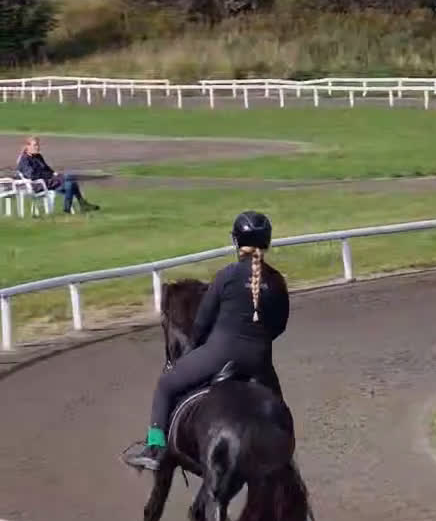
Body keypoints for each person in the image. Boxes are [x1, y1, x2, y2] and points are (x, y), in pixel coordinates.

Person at [125, 211, 289, 471]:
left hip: (219, 353)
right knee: (279, 411)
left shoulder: (226, 275)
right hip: (259, 361)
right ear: (267, 241)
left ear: (236, 241)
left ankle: (154, 448)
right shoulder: (277, 281)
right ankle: (284, 456)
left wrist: (192, 351)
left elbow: (202, 322)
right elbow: (279, 325)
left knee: (166, 384)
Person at [17, 137, 100, 215]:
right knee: (69, 178)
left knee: (70, 183)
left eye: (38, 145)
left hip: (49, 182)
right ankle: (81, 205)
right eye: (35, 145)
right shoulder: (24, 160)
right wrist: (50, 175)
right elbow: (32, 175)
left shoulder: (38, 156)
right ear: (27, 146)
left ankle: (68, 209)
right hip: (39, 184)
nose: (37, 147)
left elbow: (47, 169)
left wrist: (54, 174)